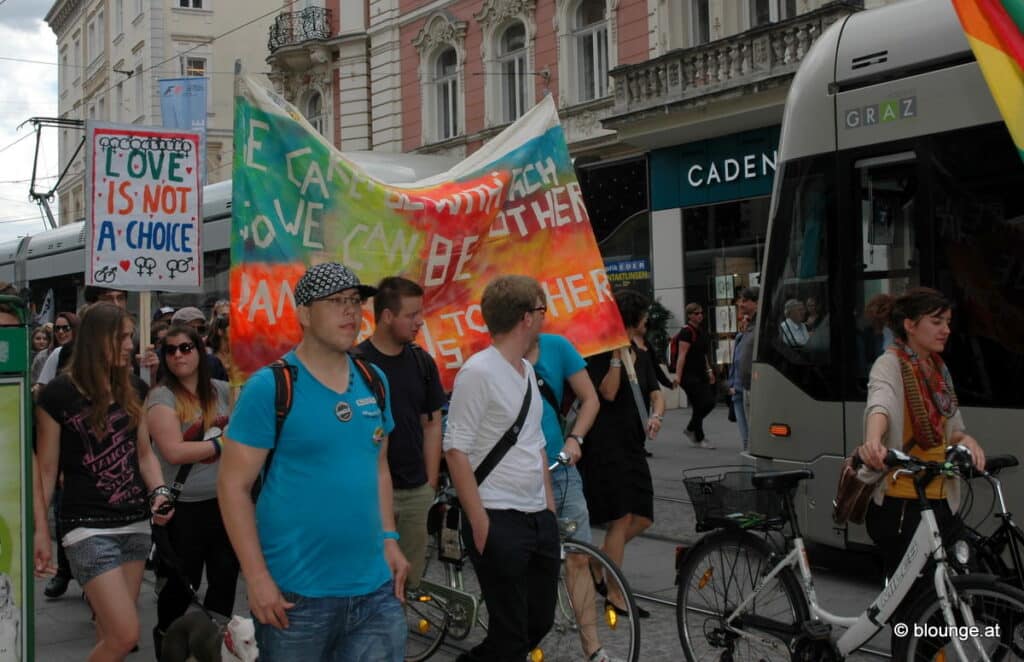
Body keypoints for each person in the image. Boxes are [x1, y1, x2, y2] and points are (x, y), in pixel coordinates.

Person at [218, 262, 408, 662]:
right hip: (296, 598)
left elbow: (379, 467)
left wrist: (390, 538)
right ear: (304, 313)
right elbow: (232, 488)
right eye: (336, 301)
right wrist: (256, 578)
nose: (351, 312)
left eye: (356, 301)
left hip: (374, 590)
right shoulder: (271, 387)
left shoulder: (375, 381)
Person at [35, 302, 174, 661]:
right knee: (126, 635)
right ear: (99, 340)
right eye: (123, 337)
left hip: (136, 525)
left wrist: (159, 493)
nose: (131, 345)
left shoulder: (135, 389)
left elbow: (145, 456)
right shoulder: (57, 395)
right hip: (86, 528)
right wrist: (39, 531)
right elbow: (46, 471)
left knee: (111, 632)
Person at [444, 275, 561, 662]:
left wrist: (548, 507)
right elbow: (455, 450)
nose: (546, 318)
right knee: (511, 634)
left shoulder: (526, 371)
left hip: (536, 517)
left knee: (538, 620)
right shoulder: (478, 372)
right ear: (527, 317)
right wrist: (479, 522)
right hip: (496, 514)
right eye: (542, 310)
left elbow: (535, 443)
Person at [856, 288, 985, 598]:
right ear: (910, 325)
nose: (946, 330)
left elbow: (952, 428)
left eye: (948, 322)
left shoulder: (939, 370)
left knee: (958, 587)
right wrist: (874, 441)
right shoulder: (889, 365)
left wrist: (967, 440)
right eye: (937, 321)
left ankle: (927, 645)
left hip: (941, 499)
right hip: (902, 505)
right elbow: (880, 404)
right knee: (916, 601)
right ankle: (910, 644)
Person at [146, 323, 238, 656]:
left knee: (225, 583)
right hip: (183, 508)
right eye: (170, 350)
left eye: (186, 347)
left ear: (199, 350)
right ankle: (168, 647)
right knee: (179, 590)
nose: (179, 355)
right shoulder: (161, 397)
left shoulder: (223, 391)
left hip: (226, 504)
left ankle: (214, 648)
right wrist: (224, 445)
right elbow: (173, 450)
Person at [356, 277, 445, 592]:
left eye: (420, 313)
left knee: (404, 585)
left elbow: (432, 423)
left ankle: (397, 639)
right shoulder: (355, 364)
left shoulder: (423, 363)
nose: (419, 321)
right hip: (367, 495)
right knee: (367, 582)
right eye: (411, 314)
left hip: (414, 494)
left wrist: (429, 484)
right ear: (387, 317)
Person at [579, 289, 664, 620]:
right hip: (606, 445)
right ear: (637, 318)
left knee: (643, 515)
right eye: (645, 315)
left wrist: (656, 415)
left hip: (633, 445)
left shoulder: (642, 353)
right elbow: (608, 391)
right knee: (621, 518)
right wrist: (616, 353)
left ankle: (597, 560)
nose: (647, 320)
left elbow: (656, 394)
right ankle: (615, 593)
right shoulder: (602, 351)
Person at [526, 332, 608, 661]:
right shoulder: (493, 352)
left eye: (541, 309)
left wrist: (575, 438)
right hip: (517, 478)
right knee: (528, 564)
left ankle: (593, 647)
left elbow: (591, 398)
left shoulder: (556, 346)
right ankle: (524, 642)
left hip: (560, 470)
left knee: (578, 556)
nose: (538, 316)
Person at [671, 303, 716, 448]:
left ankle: (691, 430)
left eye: (701, 312)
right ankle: (699, 437)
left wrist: (709, 371)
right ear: (689, 315)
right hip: (688, 376)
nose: (700, 315)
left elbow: (703, 355)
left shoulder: (700, 331)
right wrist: (678, 376)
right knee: (702, 404)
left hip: (701, 373)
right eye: (696, 313)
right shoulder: (686, 332)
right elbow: (681, 356)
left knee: (706, 403)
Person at [730, 288, 759, 452]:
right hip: (742, 385)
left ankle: (751, 449)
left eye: (744, 300)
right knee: (745, 422)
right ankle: (749, 448)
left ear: (755, 302)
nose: (740, 304)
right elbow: (738, 358)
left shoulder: (759, 325)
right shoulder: (747, 328)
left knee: (752, 423)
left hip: (752, 384)